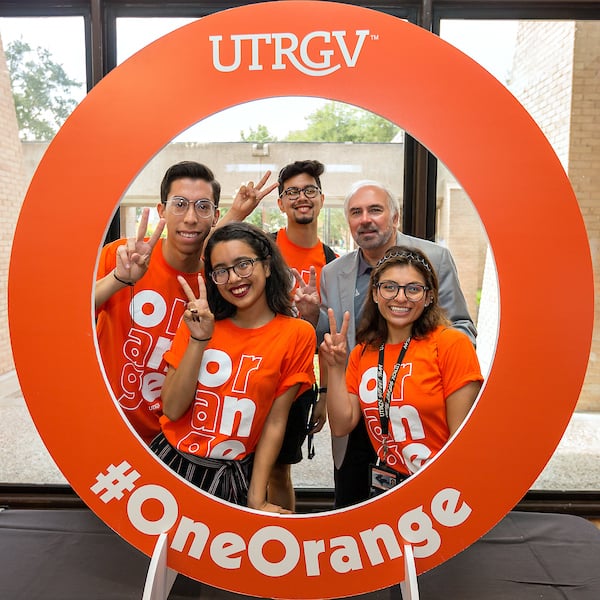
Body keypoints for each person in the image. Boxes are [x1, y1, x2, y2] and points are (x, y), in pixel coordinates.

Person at [316, 180, 476, 508]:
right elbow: (330, 334)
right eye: (356, 212)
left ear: (395, 217)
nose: (365, 219)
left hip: (419, 409)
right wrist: (308, 316)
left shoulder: (435, 259)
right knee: (356, 514)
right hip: (360, 406)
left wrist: (423, 360)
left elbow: (461, 327)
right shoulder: (333, 273)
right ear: (377, 292)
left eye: (375, 210)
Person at [95, 161, 275, 444]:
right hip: (107, 424)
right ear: (161, 211)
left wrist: (237, 213)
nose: (190, 218)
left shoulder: (219, 281)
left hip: (175, 439)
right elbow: (71, 316)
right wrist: (120, 278)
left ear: (215, 216)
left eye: (203, 207)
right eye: (179, 204)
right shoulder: (123, 255)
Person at [151, 222, 316, 512]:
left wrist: (257, 498)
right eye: (221, 271)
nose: (234, 279)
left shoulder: (297, 334)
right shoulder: (197, 323)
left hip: (234, 476)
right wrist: (199, 340)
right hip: (171, 465)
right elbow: (173, 409)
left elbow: (275, 423)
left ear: (266, 266)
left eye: (243, 264)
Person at [267, 159, 336, 511]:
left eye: (309, 190)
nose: (301, 198)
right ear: (280, 203)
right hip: (249, 374)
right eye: (291, 192)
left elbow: (331, 336)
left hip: (297, 384)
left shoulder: (333, 262)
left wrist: (323, 394)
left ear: (322, 199)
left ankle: (279, 548)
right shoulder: (262, 248)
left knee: (279, 470)